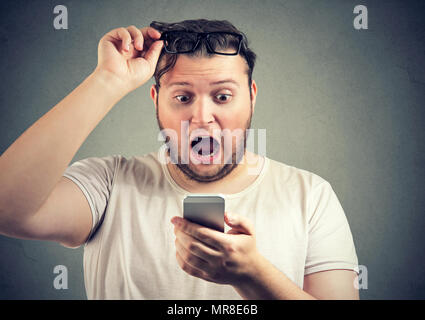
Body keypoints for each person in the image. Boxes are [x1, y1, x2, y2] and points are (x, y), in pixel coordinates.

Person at [0, 19, 359, 299]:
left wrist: (252, 274)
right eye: (183, 98)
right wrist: (108, 80)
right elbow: (7, 209)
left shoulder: (310, 195)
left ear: (251, 97)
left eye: (222, 96)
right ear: (155, 99)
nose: (202, 117)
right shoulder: (108, 184)